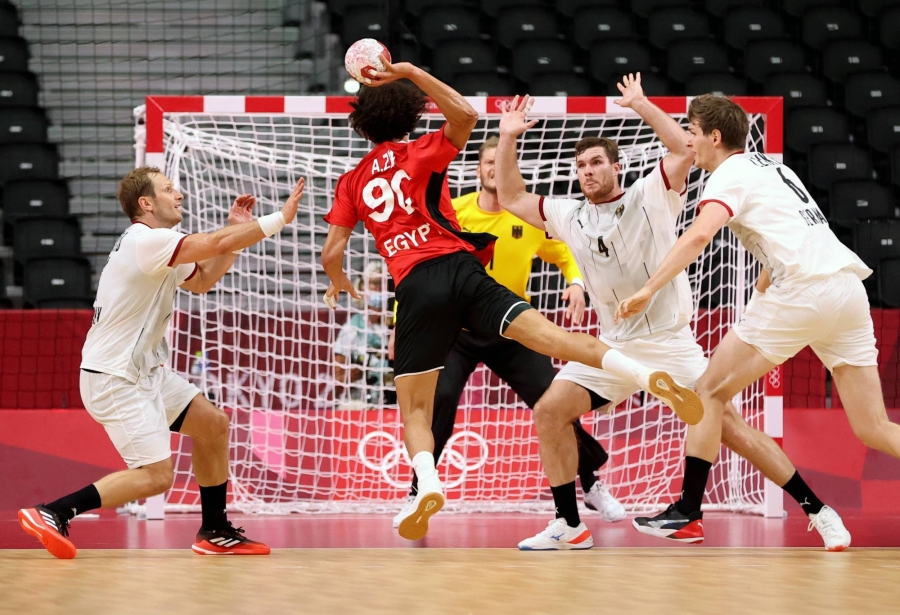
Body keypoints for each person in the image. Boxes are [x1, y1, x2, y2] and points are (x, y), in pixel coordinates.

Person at [320, 58, 702, 542]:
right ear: (411, 115)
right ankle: (646, 376)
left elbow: (331, 252)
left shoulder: (351, 181)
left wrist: (338, 280)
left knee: (416, 408)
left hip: (416, 287)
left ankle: (428, 484)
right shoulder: (425, 153)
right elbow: (465, 115)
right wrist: (413, 71)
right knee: (556, 342)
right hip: (465, 281)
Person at [495, 76, 845, 551]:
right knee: (550, 411)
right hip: (613, 347)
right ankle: (568, 525)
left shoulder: (651, 194)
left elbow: (682, 148)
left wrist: (641, 104)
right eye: (581, 166)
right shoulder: (567, 214)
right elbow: (512, 197)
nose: (587, 172)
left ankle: (818, 510)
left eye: (596, 162)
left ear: (617, 166)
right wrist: (508, 136)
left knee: (733, 430)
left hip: (669, 343)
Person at [614, 92, 900, 549]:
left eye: (692, 131)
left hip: (803, 293)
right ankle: (715, 512)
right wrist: (762, 293)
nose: (687, 140)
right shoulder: (775, 169)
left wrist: (648, 289)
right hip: (847, 291)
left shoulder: (728, 175)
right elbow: (788, 240)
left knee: (707, 391)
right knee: (873, 427)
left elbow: (699, 236)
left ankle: (687, 512)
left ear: (714, 136)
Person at [17, 167, 306, 559]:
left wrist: (236, 236)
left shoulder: (160, 246)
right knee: (156, 477)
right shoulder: (147, 240)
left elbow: (202, 281)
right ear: (147, 203)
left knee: (212, 425)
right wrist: (279, 219)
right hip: (114, 376)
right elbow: (215, 241)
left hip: (144, 372)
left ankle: (215, 531)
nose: (179, 194)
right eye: (168, 189)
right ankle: (53, 512)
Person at [389, 136, 623, 529]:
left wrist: (576, 282)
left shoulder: (526, 216)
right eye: (487, 162)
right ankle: (418, 491)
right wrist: (401, 324)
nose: (493, 169)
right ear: (478, 169)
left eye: (499, 162)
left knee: (554, 400)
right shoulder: (454, 211)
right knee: (436, 401)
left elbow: (566, 253)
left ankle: (591, 483)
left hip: (512, 328)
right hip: (456, 330)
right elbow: (420, 267)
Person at [333, 260, 395, 408]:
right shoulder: (352, 329)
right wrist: (358, 372)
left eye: (385, 283)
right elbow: (338, 381)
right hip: (360, 403)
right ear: (362, 288)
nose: (380, 288)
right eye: (375, 283)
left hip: (392, 402)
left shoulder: (396, 325)